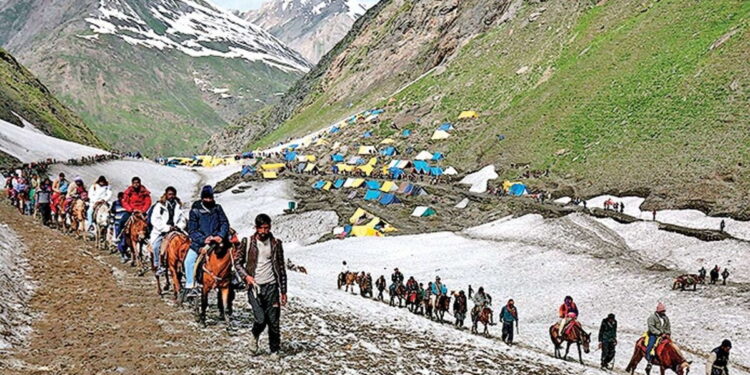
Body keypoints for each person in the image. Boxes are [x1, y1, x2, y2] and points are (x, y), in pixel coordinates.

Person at [233, 213, 287, 358]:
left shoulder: (276, 244)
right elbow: (237, 262)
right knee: (261, 319)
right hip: (254, 286)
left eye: (267, 228)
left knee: (274, 321)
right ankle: (254, 336)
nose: (264, 231)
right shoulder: (248, 242)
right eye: (261, 228)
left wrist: (283, 291)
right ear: (256, 228)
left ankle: (274, 350)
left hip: (271, 286)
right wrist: (246, 277)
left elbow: (281, 268)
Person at [185, 185, 228, 297]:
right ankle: (190, 286)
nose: (209, 200)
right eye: (206, 198)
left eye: (210, 198)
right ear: (202, 198)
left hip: (217, 240)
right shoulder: (195, 211)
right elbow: (192, 230)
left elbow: (224, 223)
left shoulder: (217, 208)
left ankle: (234, 278)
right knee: (189, 261)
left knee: (231, 255)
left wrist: (220, 235)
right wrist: (204, 239)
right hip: (201, 242)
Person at [149, 186, 186, 276]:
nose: (171, 196)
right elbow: (155, 220)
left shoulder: (178, 206)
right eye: (169, 194)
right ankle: (159, 265)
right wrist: (166, 228)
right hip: (162, 231)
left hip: (176, 229)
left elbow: (182, 219)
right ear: (166, 194)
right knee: (156, 246)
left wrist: (179, 226)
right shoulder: (159, 206)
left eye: (173, 194)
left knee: (186, 243)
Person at [110, 192, 128, 261]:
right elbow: (112, 214)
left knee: (125, 240)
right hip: (117, 224)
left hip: (126, 225)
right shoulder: (115, 204)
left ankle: (124, 252)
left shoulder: (127, 204)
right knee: (120, 239)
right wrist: (111, 224)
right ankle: (122, 254)